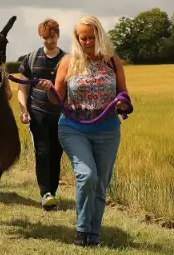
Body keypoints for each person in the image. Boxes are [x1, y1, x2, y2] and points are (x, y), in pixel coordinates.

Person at [37, 15, 130, 247]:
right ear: (77, 39)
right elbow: (56, 98)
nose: (87, 42)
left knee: (100, 182)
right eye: (83, 38)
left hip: (107, 129)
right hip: (73, 128)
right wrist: (49, 89)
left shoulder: (112, 61)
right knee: (87, 175)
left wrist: (123, 103)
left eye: (91, 37)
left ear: (99, 36)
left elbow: (124, 93)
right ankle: (81, 229)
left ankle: (93, 233)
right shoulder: (68, 62)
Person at [17, 18, 67, 211]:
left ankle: (52, 192)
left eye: (52, 37)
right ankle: (45, 193)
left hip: (60, 114)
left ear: (58, 35)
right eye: (46, 37)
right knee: (42, 151)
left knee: (56, 153)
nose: (49, 41)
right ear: (41, 37)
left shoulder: (67, 60)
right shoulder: (30, 59)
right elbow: (22, 88)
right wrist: (23, 110)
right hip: (37, 112)